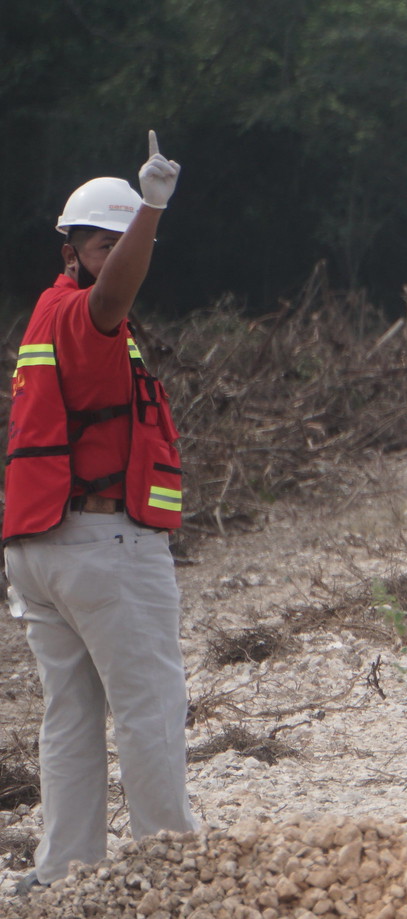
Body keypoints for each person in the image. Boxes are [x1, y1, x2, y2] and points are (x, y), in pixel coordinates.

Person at [4, 140, 197, 894]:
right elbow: (113, 296)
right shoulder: (88, 318)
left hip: (41, 548)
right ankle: (169, 870)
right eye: (101, 245)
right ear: (72, 254)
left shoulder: (45, 314)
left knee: (72, 715)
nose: (116, 257)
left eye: (124, 243)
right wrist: (151, 207)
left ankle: (64, 874)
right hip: (100, 543)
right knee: (150, 704)